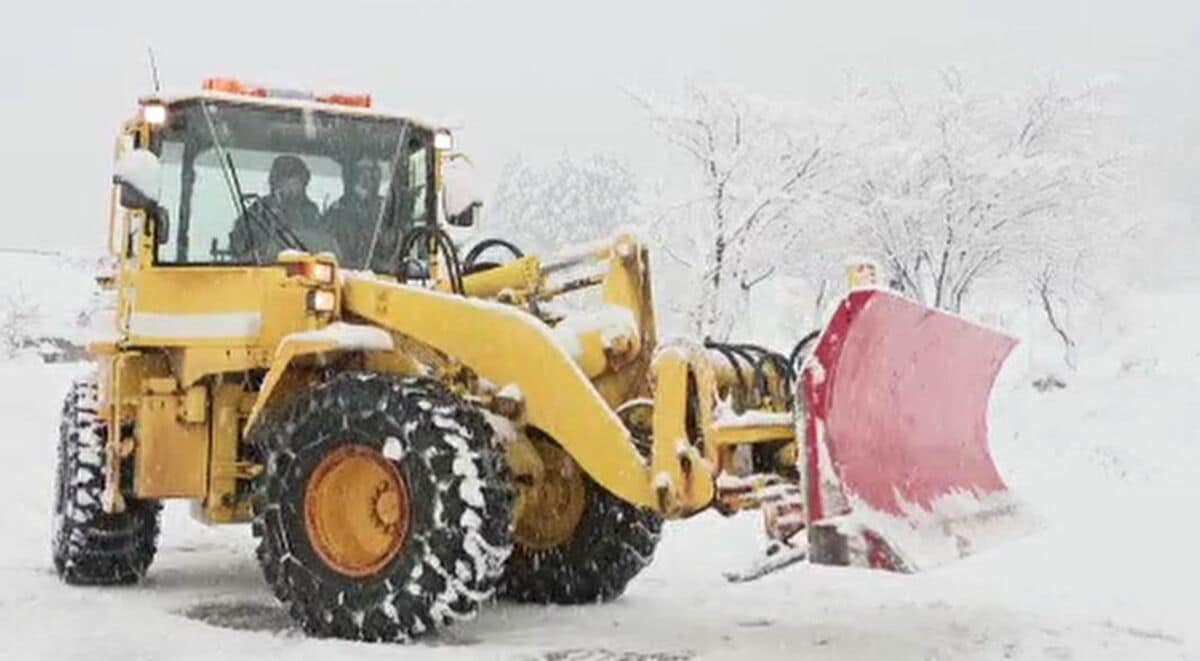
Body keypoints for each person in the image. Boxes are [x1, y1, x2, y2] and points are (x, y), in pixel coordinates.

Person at [229, 154, 328, 260]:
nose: (291, 184)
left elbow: (326, 248)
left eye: (298, 179)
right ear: (274, 180)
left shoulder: (312, 214)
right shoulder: (255, 214)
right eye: (286, 177)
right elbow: (238, 252)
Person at [323, 157, 383, 267]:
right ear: (352, 177)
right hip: (342, 269)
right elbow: (326, 243)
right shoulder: (337, 211)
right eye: (361, 173)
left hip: (379, 272)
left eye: (370, 175)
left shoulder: (385, 210)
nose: (365, 180)